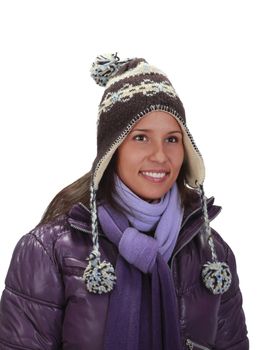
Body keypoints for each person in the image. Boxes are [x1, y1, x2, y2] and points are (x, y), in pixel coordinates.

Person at [0, 53, 249, 350]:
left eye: (172, 139)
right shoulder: (48, 250)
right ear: (113, 150)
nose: (160, 155)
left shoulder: (212, 254)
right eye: (141, 138)